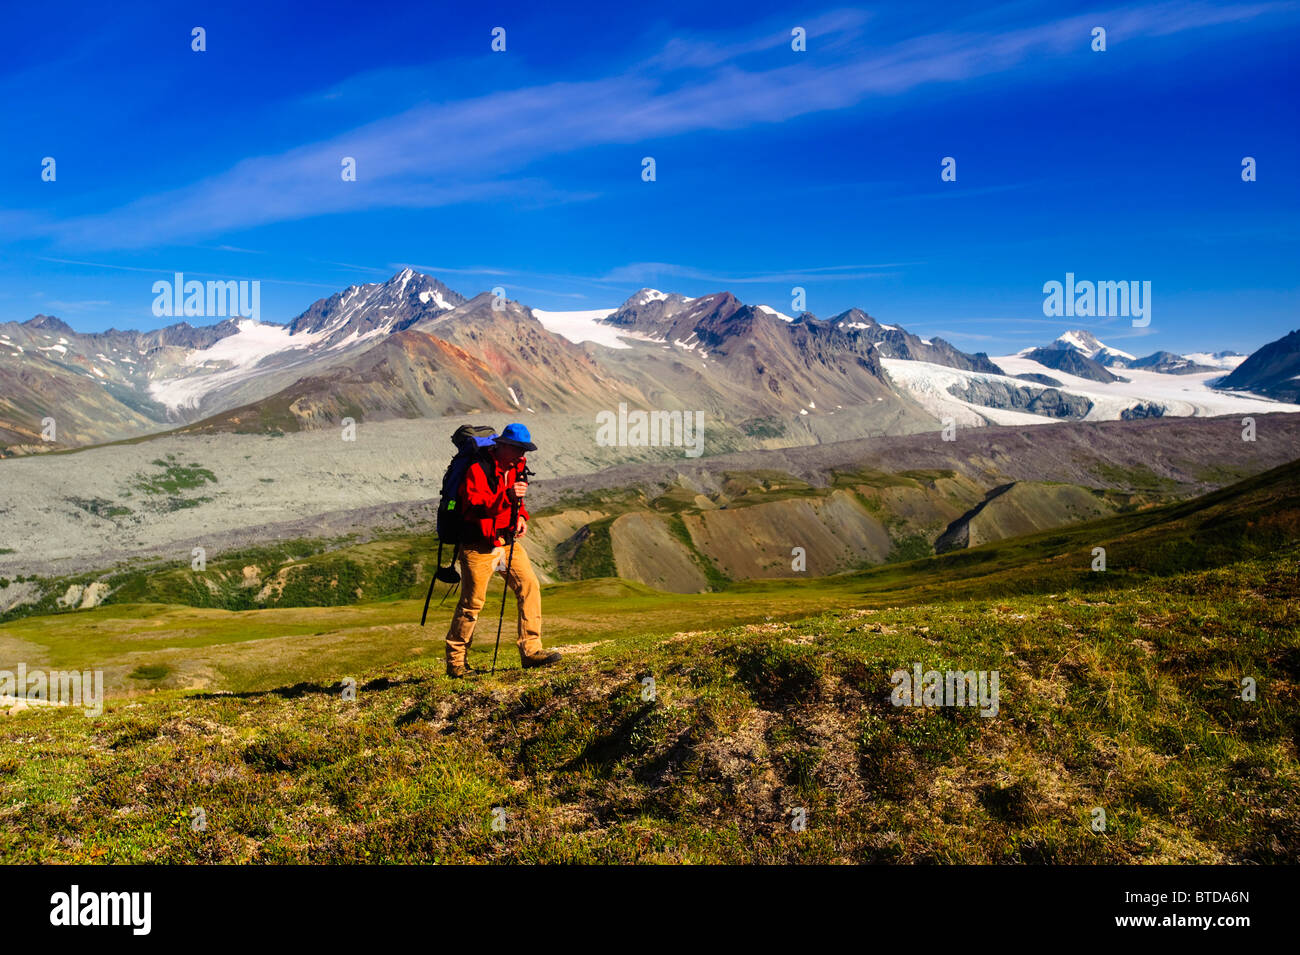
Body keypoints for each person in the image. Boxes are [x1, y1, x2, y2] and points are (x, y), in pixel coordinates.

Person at [443, 423, 561, 677]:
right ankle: (456, 664)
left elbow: (517, 501)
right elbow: (474, 505)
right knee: (472, 603)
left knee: (529, 587)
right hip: (478, 545)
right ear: (503, 445)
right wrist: (507, 495)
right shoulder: (477, 468)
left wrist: (522, 517)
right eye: (518, 448)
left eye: (525, 449)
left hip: (506, 542)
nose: (522, 454)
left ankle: (531, 651)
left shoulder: (517, 467)